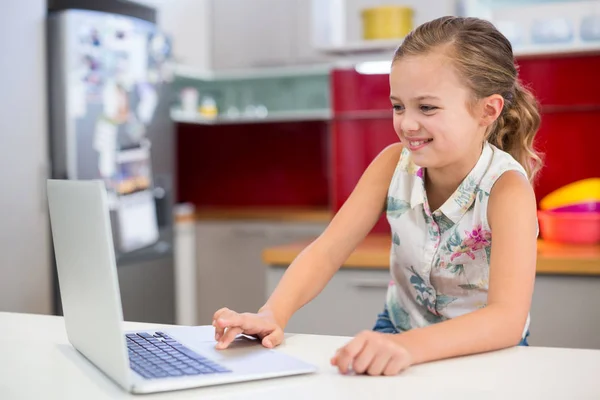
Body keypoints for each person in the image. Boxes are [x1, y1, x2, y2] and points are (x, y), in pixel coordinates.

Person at [212, 16, 541, 376]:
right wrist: (271, 313)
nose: (407, 123)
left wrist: (407, 347)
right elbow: (327, 251)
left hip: (484, 352)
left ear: (487, 110)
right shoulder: (391, 165)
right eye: (398, 106)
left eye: (426, 107)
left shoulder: (507, 189)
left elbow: (506, 319)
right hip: (399, 334)